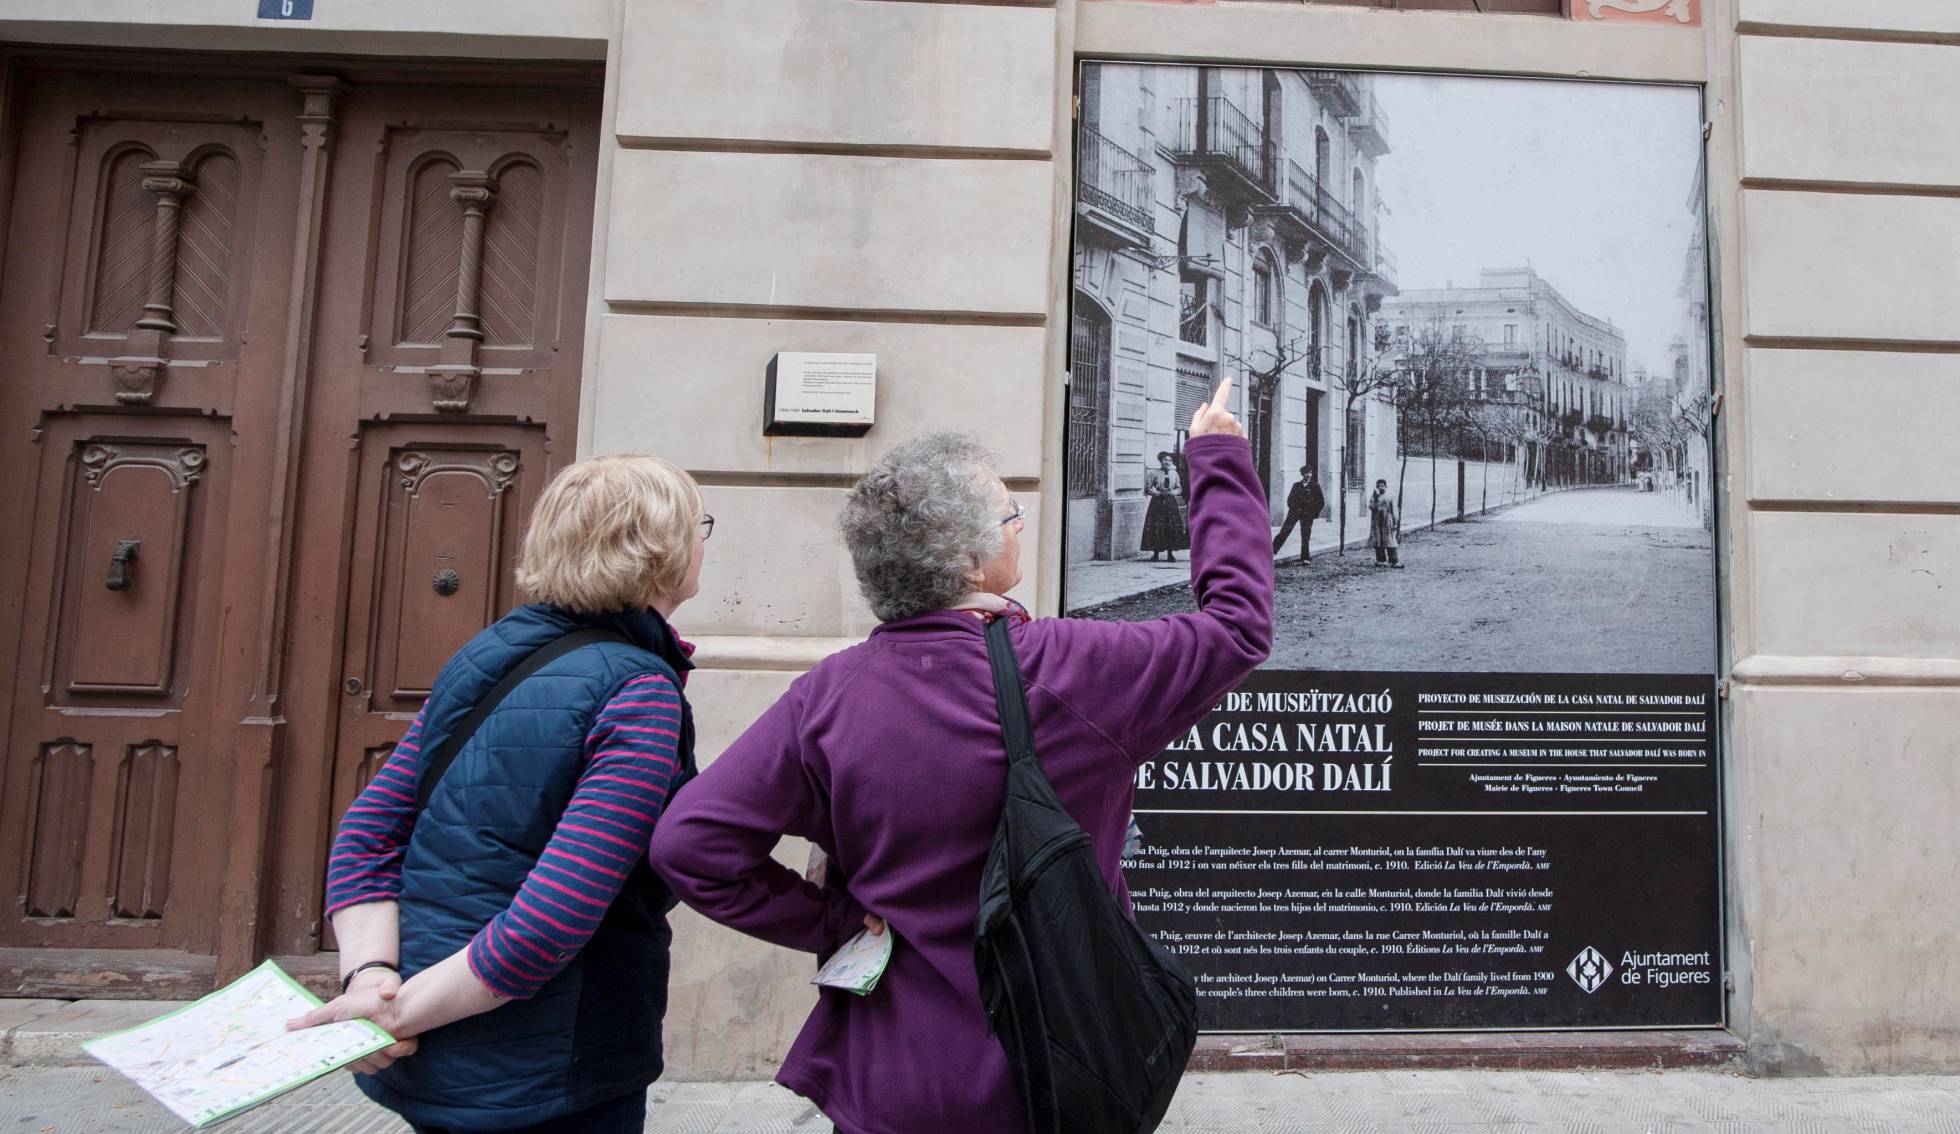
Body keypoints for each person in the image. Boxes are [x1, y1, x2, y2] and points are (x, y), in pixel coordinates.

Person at [649, 378, 1272, 1134]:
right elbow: (1238, 625)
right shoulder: (1072, 670)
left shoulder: (829, 695)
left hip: (888, 1076)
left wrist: (834, 920)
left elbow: (690, 845)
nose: (1018, 527)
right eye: (1011, 516)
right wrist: (1218, 453)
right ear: (972, 563)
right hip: (1050, 1071)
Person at [291, 454, 711, 1134]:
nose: (703, 545)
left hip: (438, 1036)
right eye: (699, 527)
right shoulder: (638, 693)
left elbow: (367, 836)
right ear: (659, 549)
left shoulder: (491, 651)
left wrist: (372, 981)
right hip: (552, 1064)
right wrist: (390, 1011)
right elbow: (553, 918)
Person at [1141, 450, 1190, 562]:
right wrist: (1157, 493)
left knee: (1170, 526)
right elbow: (1148, 488)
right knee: (1157, 526)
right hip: (1157, 502)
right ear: (1161, 461)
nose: (1167, 462)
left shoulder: (1174, 473)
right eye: (1165, 460)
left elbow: (1179, 488)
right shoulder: (1154, 473)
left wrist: (1173, 492)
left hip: (1170, 502)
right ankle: (1155, 553)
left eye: (1169, 460)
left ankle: (1170, 553)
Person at [1272, 466, 1325, 563]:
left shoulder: (1315, 486)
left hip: (1307, 514)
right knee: (1284, 531)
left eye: (1310, 473)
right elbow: (1289, 500)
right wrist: (1295, 508)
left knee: (1305, 535)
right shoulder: (1296, 485)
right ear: (1302, 474)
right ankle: (1272, 552)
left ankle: (1305, 557)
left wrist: (1314, 514)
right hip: (1294, 513)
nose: (1308, 475)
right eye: (1306, 473)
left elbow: (1320, 502)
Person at [1368, 477, 1402, 568]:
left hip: (1387, 521)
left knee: (1390, 540)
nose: (1380, 488)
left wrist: (1395, 522)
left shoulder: (1389, 496)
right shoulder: (1374, 496)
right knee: (1378, 541)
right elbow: (1371, 507)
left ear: (1386, 487)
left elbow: (1394, 510)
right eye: (1378, 486)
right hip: (1377, 522)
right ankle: (1381, 560)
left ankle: (1394, 561)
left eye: (1382, 486)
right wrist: (1375, 497)